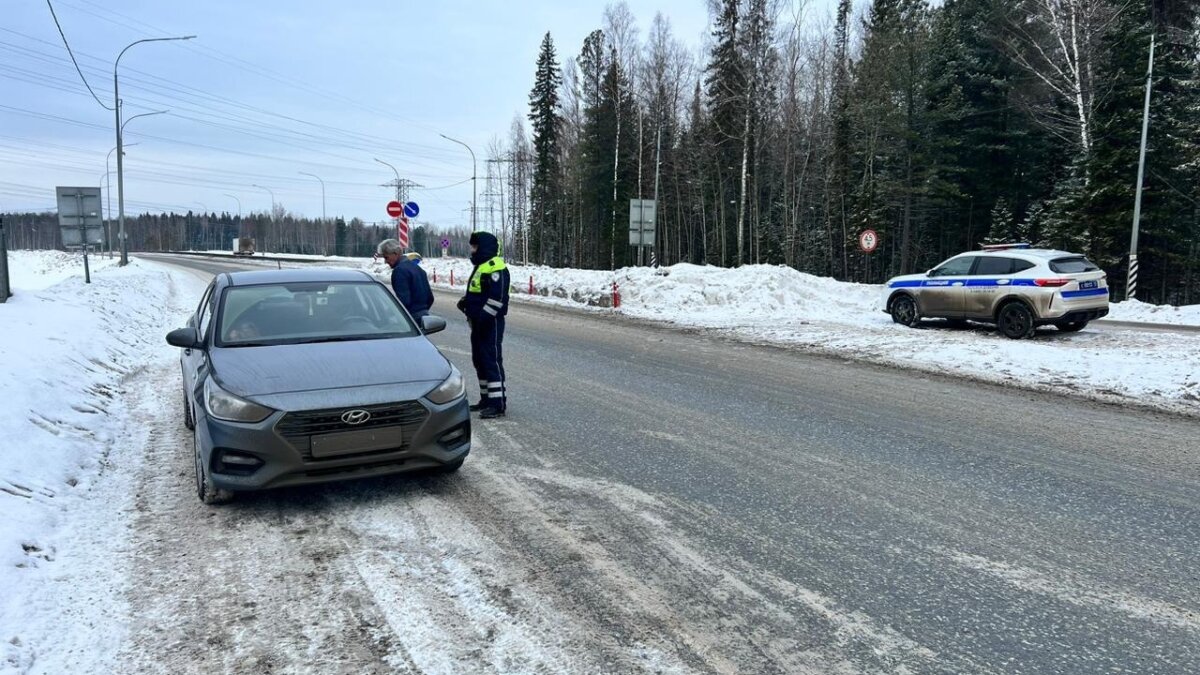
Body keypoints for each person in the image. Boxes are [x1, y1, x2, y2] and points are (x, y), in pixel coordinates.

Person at [457, 231, 509, 419]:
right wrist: (466, 302)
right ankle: (486, 399)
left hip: (490, 323)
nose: (472, 249)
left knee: (491, 361)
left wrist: (483, 319)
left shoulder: (496, 267)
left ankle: (497, 404)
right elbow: (479, 292)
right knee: (479, 361)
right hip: (478, 323)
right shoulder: (482, 265)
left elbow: (497, 299)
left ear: (483, 247)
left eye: (474, 246)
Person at [377, 239, 433, 319]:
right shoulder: (418, 269)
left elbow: (403, 301)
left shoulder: (399, 271)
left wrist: (389, 316)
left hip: (410, 320)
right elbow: (430, 298)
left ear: (395, 253)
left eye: (386, 257)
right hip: (425, 318)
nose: (385, 261)